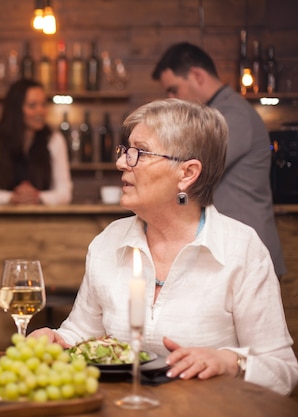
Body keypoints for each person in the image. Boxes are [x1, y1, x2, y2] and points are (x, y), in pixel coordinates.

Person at [29, 99, 298, 396]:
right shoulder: (108, 242)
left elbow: (283, 372)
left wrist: (230, 361)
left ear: (187, 173)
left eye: (139, 153)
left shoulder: (241, 250)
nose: (121, 162)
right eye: (125, 151)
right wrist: (56, 339)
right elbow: (80, 335)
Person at [151, 42, 286, 278]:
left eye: (174, 90)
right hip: (230, 251)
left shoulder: (231, 115)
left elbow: (191, 170)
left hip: (249, 254)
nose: (172, 99)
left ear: (197, 76)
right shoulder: (215, 114)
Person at [0, 78, 72, 205]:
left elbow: (64, 193)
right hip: (1, 221)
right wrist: (12, 198)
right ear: (16, 109)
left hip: (45, 221)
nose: (41, 111)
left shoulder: (54, 140)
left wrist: (37, 196)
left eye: (43, 104)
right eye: (32, 106)